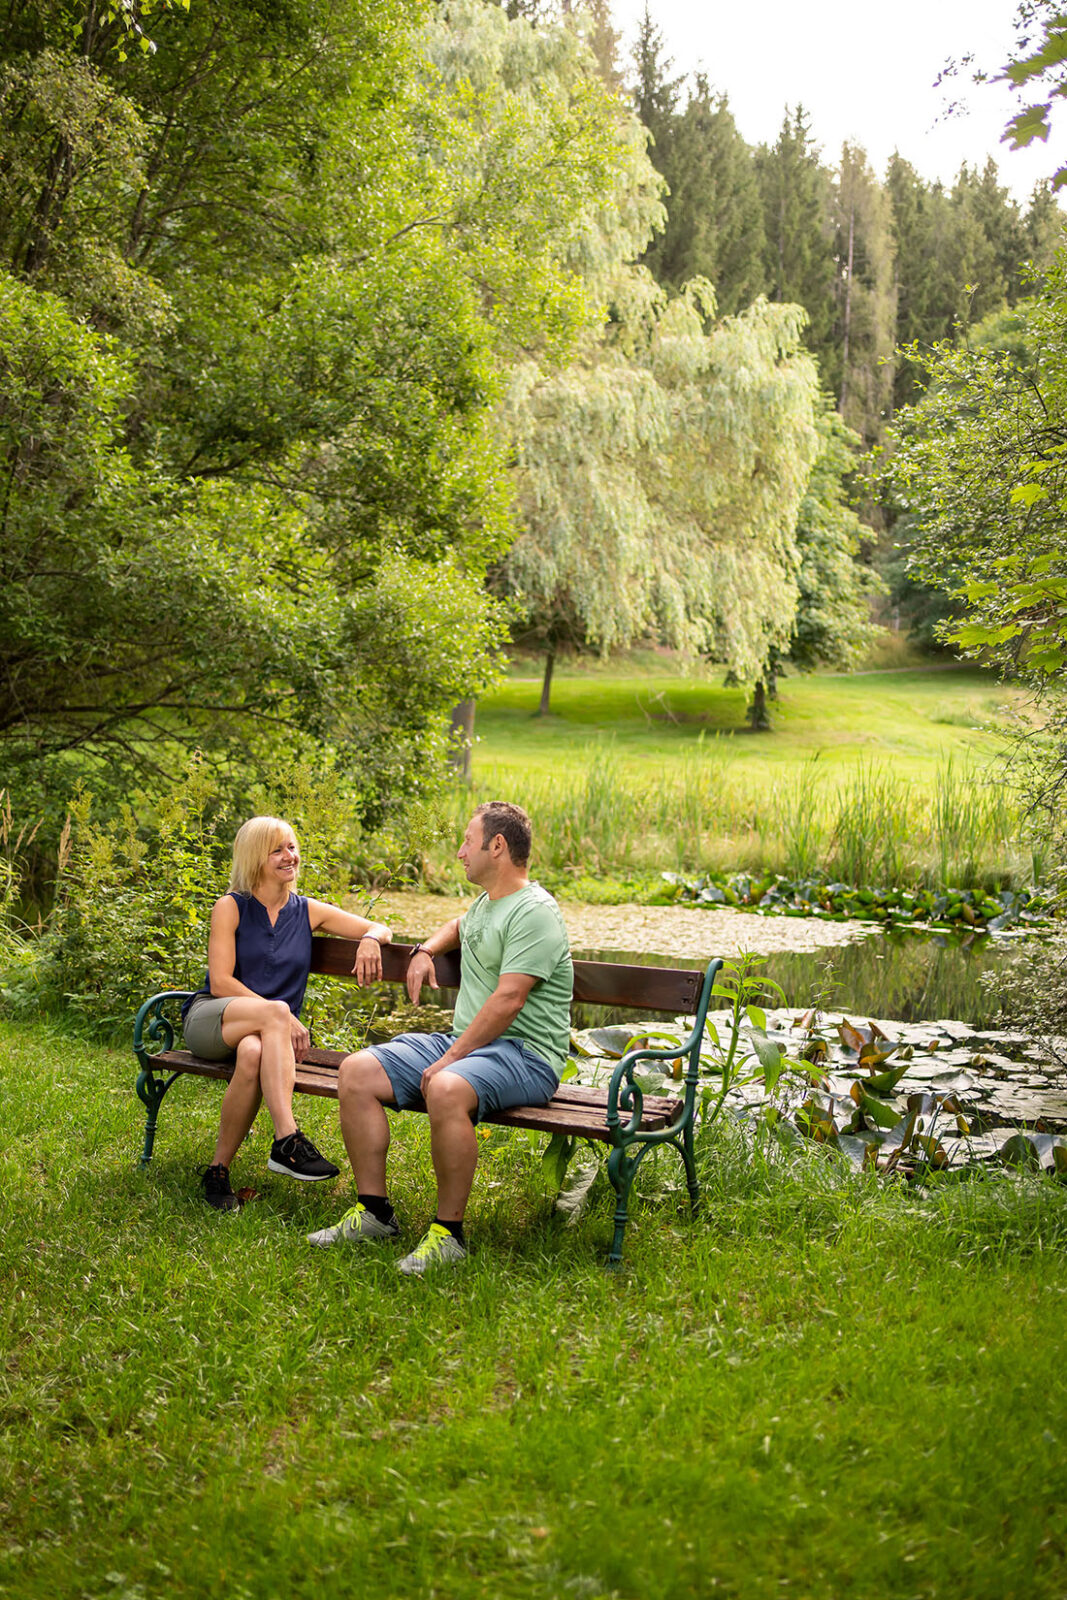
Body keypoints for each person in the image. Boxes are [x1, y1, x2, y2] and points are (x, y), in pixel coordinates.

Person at [308, 801, 572, 1274]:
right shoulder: (487, 904)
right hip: (472, 1045)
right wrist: (425, 950)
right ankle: (374, 1213)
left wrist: (450, 1058)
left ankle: (449, 1235)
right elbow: (459, 926)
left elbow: (509, 1000)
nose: (459, 852)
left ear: (498, 846)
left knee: (446, 1087)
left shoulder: (535, 912)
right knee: (356, 1071)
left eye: (467, 841)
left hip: (527, 1056)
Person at [183, 815, 393, 1212]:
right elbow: (221, 983)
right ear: (254, 857)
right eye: (277, 849)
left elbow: (382, 928)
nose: (289, 856)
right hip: (214, 1019)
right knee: (271, 1016)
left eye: (293, 847)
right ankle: (287, 1139)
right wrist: (280, 1015)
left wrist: (369, 938)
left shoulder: (308, 911)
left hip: (265, 1039)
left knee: (252, 1053)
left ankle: (217, 1171)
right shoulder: (231, 907)